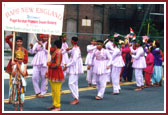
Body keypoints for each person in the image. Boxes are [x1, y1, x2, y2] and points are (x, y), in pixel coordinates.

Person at [5, 34, 28, 104]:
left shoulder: (24, 50)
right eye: (17, 41)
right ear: (15, 42)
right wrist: (12, 35)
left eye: (20, 41)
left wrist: (16, 62)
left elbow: (25, 60)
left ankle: (18, 99)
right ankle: (10, 98)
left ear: (22, 42)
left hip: (20, 68)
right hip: (13, 68)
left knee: (19, 84)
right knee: (11, 83)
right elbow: (6, 39)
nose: (19, 43)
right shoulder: (13, 47)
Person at [64, 37, 83, 105]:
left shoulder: (76, 49)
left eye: (71, 40)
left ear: (72, 41)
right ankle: (76, 98)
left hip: (75, 68)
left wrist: (67, 65)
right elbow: (69, 52)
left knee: (71, 83)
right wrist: (67, 50)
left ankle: (76, 98)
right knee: (74, 84)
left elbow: (74, 61)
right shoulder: (74, 48)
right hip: (73, 67)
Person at [47, 39, 64, 111]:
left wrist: (49, 64)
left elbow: (57, 64)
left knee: (56, 90)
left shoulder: (58, 52)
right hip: (53, 71)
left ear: (55, 45)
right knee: (53, 90)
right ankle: (55, 104)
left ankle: (58, 106)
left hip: (56, 72)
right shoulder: (56, 51)